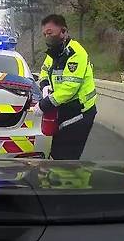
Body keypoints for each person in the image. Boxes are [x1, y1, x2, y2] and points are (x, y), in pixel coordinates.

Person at [32, 14, 97, 160]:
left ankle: (72, 182)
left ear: (63, 31)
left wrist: (44, 104)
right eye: (44, 34)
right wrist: (45, 85)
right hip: (64, 110)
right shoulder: (54, 53)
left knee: (66, 158)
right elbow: (44, 70)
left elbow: (69, 88)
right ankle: (58, 181)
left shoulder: (75, 53)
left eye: (50, 33)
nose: (47, 37)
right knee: (57, 154)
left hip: (79, 112)